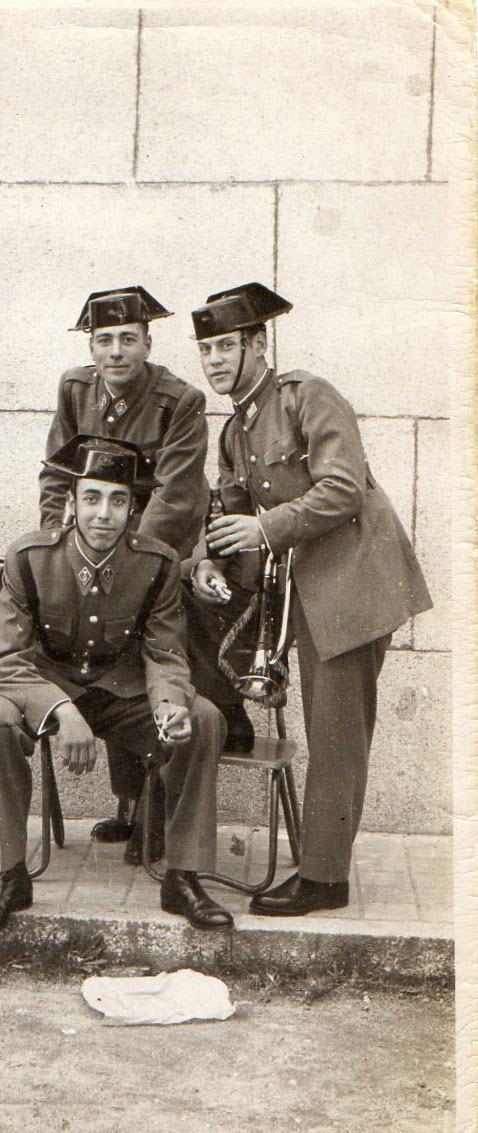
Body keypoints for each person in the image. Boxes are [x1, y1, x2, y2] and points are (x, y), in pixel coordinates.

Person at [186, 282, 432, 916]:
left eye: (226, 346)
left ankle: (325, 879)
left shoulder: (306, 396)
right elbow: (231, 518)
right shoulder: (235, 432)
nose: (214, 360)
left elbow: (343, 489)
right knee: (328, 730)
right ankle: (322, 863)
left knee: (336, 736)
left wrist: (264, 529)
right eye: (205, 349)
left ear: (258, 344)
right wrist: (209, 561)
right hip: (310, 595)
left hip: (353, 587)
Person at [0, 435, 231, 935]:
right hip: (43, 686)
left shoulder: (157, 564)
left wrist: (170, 704)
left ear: (133, 510)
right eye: (91, 498)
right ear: (71, 503)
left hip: (120, 691)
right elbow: (3, 662)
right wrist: (62, 710)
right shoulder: (29, 557)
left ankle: (183, 877)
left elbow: (164, 653)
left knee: (202, 719)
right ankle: (9, 875)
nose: (103, 514)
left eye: (117, 500)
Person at [39, 287, 248, 860]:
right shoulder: (74, 388)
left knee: (155, 663)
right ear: (91, 346)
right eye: (104, 340)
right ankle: (129, 804)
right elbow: (57, 474)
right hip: (95, 551)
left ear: (148, 344)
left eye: (128, 339)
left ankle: (160, 806)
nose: (116, 351)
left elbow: (176, 497)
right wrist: (59, 545)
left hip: (161, 554)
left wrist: (128, 565)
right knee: (107, 660)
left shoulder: (178, 400)